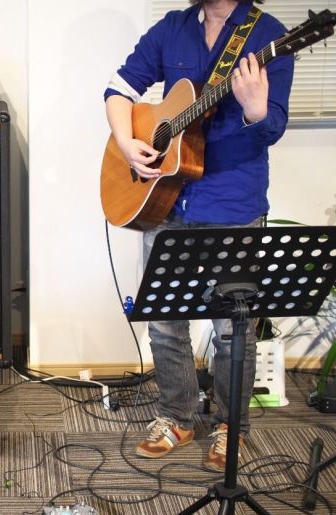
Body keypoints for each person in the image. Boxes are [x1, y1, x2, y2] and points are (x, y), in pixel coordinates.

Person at [104, 0, 294, 471]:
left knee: (233, 329)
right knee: (165, 321)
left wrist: (255, 108)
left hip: (233, 205)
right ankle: (177, 417)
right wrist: (127, 142)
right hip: (166, 201)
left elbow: (273, 125)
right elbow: (120, 89)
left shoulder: (269, 35)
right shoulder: (174, 27)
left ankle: (232, 427)